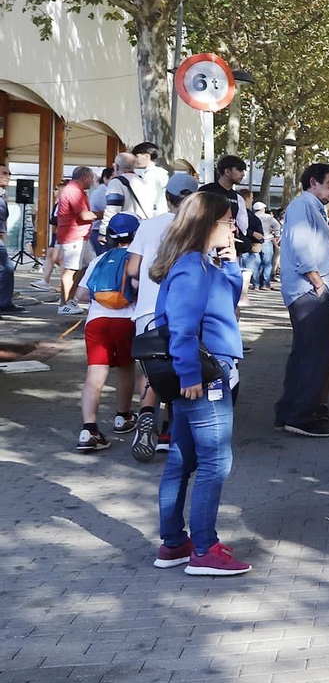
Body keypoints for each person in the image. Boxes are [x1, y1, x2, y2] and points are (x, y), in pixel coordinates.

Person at [150, 192, 249, 576]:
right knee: (214, 462)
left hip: (199, 374)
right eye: (227, 222)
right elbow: (182, 327)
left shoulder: (199, 264)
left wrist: (230, 264)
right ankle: (204, 549)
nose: (234, 228)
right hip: (203, 377)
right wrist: (190, 374)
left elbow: (228, 300)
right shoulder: (192, 267)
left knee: (183, 459)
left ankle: (174, 542)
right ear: (207, 225)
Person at [126, 173, 200, 463]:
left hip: (146, 310)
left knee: (151, 369)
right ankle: (169, 431)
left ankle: (146, 414)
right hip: (181, 308)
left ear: (167, 198)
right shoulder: (196, 229)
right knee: (179, 368)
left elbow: (133, 269)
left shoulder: (148, 225)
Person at [273, 163, 329, 438]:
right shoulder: (303, 206)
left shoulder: (309, 207)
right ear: (314, 182)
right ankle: (301, 415)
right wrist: (318, 283)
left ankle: (289, 412)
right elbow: (301, 247)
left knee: (304, 354)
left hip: (309, 290)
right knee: (315, 355)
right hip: (309, 291)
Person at [75, 212, 142, 452]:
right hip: (126, 321)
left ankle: (89, 430)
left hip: (96, 322)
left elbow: (81, 295)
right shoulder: (137, 260)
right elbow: (137, 288)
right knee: (125, 368)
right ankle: (123, 416)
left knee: (95, 373)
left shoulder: (98, 260)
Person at [55, 166, 97, 314]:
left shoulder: (76, 190)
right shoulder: (73, 191)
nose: (92, 181)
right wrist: (106, 213)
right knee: (71, 270)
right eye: (91, 178)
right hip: (73, 235)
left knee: (88, 266)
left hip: (80, 235)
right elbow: (84, 215)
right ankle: (64, 304)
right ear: (85, 177)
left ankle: (70, 299)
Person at [0, 163, 16, 315]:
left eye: (9, 173)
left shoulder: (2, 194)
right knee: (6, 268)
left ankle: (5, 303)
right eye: (4, 173)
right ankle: (4, 303)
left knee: (6, 269)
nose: (8, 176)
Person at [252, 201, 280, 289]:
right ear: (263, 209)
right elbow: (277, 225)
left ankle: (256, 284)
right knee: (267, 264)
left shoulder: (252, 216)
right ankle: (265, 284)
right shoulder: (269, 217)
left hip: (255, 241)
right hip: (267, 239)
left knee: (256, 264)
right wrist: (276, 235)